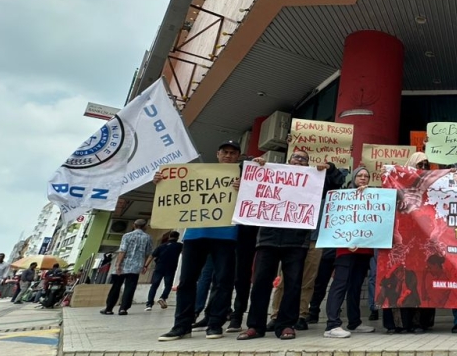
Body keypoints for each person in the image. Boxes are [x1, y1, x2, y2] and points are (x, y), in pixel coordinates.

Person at [241, 151, 346, 340]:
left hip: (297, 240)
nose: (299, 160)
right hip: (268, 238)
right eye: (296, 157)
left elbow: (336, 182)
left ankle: (286, 325)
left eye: (304, 159)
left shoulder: (312, 180)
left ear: (307, 164)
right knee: (260, 283)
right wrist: (254, 165)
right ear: (288, 161)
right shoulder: (271, 173)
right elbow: (246, 180)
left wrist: (329, 168)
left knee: (293, 284)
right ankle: (255, 326)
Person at [158, 140, 242, 341]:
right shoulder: (198, 173)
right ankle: (181, 325)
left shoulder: (243, 177)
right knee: (187, 280)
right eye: (225, 152)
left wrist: (244, 188)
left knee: (223, 281)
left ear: (238, 156)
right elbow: (177, 188)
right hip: (195, 234)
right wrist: (162, 181)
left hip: (226, 235)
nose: (228, 156)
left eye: (233, 153)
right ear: (218, 154)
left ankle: (215, 324)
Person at [382, 152, 437, 334]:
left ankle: (419, 323)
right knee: (397, 282)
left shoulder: (431, 186)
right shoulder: (397, 184)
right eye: (419, 164)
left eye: (426, 165)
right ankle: (397, 324)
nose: (423, 168)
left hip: (422, 244)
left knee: (419, 283)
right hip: (399, 242)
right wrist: (388, 173)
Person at [324, 166, 377, 338]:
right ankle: (332, 324)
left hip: (364, 249)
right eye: (360, 175)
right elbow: (336, 222)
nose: (363, 178)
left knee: (355, 287)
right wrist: (346, 241)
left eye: (366, 175)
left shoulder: (373, 196)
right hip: (345, 249)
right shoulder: (343, 196)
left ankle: (354, 322)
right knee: (341, 283)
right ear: (353, 178)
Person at [101, 218, 153, 316]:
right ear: (145, 227)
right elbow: (148, 253)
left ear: (134, 225)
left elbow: (122, 250)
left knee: (116, 287)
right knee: (130, 288)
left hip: (123, 265)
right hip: (136, 267)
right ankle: (123, 309)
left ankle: (109, 308)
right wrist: (145, 265)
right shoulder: (148, 237)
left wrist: (117, 264)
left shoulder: (127, 236)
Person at [145, 231, 182, 310]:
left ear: (169, 237)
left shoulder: (161, 246)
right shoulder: (179, 246)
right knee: (168, 285)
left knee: (154, 285)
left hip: (159, 267)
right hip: (171, 268)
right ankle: (163, 297)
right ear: (178, 237)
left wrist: (145, 266)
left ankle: (149, 304)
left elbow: (151, 256)